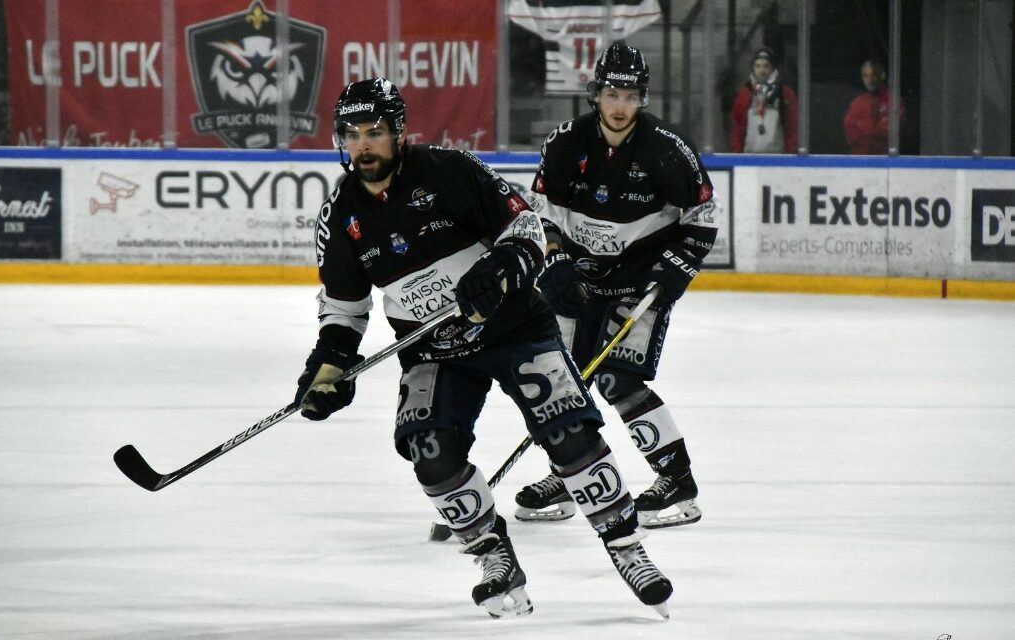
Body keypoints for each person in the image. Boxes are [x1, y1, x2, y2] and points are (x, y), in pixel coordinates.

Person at [296, 77, 674, 619]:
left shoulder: (450, 170)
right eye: (352, 134)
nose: (363, 145)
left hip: (514, 327)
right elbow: (344, 308)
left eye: (374, 132)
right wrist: (329, 365)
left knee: (568, 433)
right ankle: (494, 558)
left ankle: (627, 548)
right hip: (432, 349)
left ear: (399, 133)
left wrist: (500, 265)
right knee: (430, 454)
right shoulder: (340, 216)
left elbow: (524, 226)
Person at [515, 42, 718, 532]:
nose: (620, 105)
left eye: (630, 95)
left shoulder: (668, 150)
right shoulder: (565, 143)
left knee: (616, 379)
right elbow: (541, 211)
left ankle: (678, 483)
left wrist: (673, 268)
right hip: (577, 280)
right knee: (561, 380)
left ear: (642, 99)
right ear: (595, 95)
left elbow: (703, 217)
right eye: (612, 93)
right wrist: (555, 259)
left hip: (638, 283)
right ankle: (569, 474)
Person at [729, 46, 799, 153]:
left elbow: (792, 128)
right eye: (758, 66)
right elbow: (736, 129)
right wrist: (736, 155)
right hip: (747, 159)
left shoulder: (785, 94)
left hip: (778, 160)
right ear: (753, 68)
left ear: (772, 68)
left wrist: (790, 157)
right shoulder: (744, 94)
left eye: (766, 66)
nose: (762, 70)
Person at [843, 59, 905, 155]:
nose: (870, 80)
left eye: (874, 75)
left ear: (882, 75)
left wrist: (868, 131)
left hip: (886, 158)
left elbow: (894, 130)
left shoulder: (894, 101)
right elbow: (850, 133)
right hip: (860, 159)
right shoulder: (857, 103)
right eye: (865, 76)